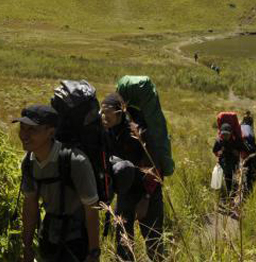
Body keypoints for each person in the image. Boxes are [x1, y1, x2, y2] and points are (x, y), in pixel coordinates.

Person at [14, 105, 100, 262]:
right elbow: (30, 205)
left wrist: (94, 253)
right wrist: (26, 246)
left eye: (32, 130)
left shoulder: (75, 161)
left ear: (50, 132)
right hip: (48, 236)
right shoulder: (28, 163)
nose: (24, 135)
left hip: (77, 240)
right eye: (22, 128)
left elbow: (91, 209)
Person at [101, 92, 165, 262]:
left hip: (148, 192)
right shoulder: (106, 133)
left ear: (119, 113)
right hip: (125, 193)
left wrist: (146, 198)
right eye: (101, 111)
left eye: (107, 111)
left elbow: (154, 167)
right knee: (123, 243)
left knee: (153, 242)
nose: (103, 115)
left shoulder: (138, 132)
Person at [213, 123, 248, 199]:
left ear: (231, 133)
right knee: (228, 177)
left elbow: (245, 150)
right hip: (224, 162)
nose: (225, 136)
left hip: (235, 162)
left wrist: (238, 153)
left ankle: (236, 194)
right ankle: (229, 194)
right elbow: (215, 151)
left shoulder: (236, 141)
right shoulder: (219, 141)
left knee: (235, 178)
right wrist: (220, 152)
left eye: (227, 134)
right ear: (221, 133)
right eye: (223, 134)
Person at [240, 111, 256, 194]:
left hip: (246, 152)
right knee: (251, 173)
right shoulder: (250, 130)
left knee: (245, 171)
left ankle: (244, 189)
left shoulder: (241, 127)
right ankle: (248, 190)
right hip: (252, 152)